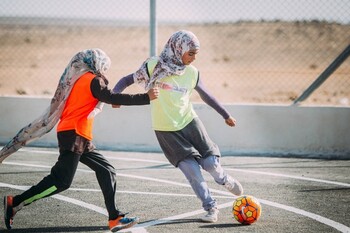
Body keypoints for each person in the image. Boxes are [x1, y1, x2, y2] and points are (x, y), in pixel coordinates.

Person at [2, 48, 159, 232]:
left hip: (79, 136)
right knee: (61, 181)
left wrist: (115, 99)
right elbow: (109, 96)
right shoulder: (93, 79)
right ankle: (15, 203)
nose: (104, 71)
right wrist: (146, 97)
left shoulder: (81, 80)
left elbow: (107, 97)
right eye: (104, 67)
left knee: (106, 170)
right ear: (96, 64)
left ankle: (114, 218)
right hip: (74, 134)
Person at [111, 30, 243, 223]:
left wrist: (226, 115)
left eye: (196, 53)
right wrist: (116, 96)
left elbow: (207, 96)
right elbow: (126, 80)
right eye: (191, 53)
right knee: (193, 172)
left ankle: (224, 179)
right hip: (165, 129)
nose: (194, 58)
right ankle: (210, 208)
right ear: (177, 49)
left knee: (210, 164)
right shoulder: (153, 65)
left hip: (190, 123)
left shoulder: (192, 73)